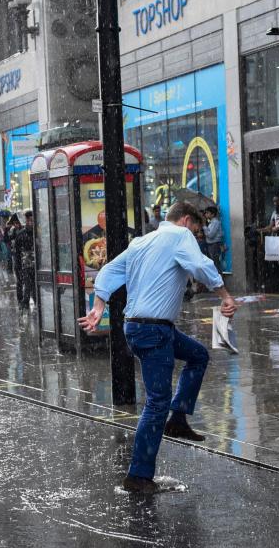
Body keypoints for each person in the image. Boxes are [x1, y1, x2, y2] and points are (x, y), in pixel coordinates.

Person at [78, 201, 237, 494]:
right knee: (156, 402)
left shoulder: (142, 241)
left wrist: (99, 305)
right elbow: (200, 265)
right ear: (186, 221)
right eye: (197, 231)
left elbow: (110, 270)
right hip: (155, 329)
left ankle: (177, 419)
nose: (197, 237)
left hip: (139, 327)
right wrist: (225, 296)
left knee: (198, 355)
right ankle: (138, 476)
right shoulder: (179, 236)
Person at [15, 211, 36, 309]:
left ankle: (34, 302)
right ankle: (24, 303)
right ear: (27, 220)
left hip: (35, 264)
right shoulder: (21, 234)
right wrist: (18, 266)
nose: (32, 222)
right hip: (25, 264)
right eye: (30, 220)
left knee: (35, 285)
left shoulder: (36, 233)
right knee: (27, 285)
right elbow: (17, 252)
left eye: (33, 220)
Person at [203, 206, 225, 272]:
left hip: (214, 245)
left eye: (207, 213)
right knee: (214, 263)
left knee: (216, 263)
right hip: (212, 245)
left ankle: (219, 279)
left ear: (212, 214)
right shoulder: (212, 222)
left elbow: (210, 235)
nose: (205, 214)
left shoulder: (215, 222)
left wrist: (204, 226)